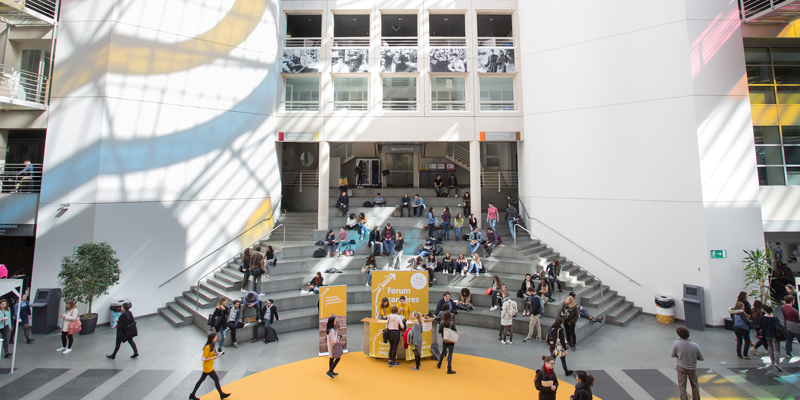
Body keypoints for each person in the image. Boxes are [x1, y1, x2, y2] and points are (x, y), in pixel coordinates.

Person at [189, 332, 230, 400]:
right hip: (207, 367)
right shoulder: (207, 347)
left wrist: (215, 354)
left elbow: (210, 354)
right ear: (213, 338)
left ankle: (192, 395)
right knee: (216, 379)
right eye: (215, 337)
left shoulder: (212, 345)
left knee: (201, 380)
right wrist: (213, 358)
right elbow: (203, 358)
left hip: (209, 366)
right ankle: (221, 394)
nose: (216, 337)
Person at [670, 326, 704, 399]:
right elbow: (701, 358)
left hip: (681, 367)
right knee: (694, 385)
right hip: (692, 367)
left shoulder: (676, 343)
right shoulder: (695, 345)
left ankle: (684, 398)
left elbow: (672, 354)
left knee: (682, 385)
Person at [759, 304, 783, 371]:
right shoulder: (775, 318)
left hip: (766, 335)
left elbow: (759, 325)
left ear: (764, 310)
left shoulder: (762, 317)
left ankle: (772, 361)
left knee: (770, 347)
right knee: (777, 349)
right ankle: (777, 363)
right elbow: (779, 326)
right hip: (775, 335)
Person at [438, 310, 457, 374]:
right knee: (450, 354)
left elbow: (439, 331)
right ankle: (449, 368)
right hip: (450, 340)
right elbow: (455, 330)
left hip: (445, 339)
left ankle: (439, 363)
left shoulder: (442, 322)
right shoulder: (452, 323)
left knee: (443, 352)